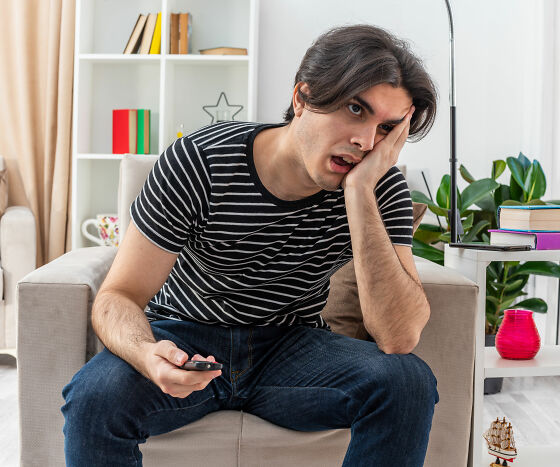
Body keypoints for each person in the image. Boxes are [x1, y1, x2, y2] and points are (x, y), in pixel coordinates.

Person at [62, 24, 439, 467]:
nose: (365, 141)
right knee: (93, 396)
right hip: (183, 334)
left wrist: (359, 192)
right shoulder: (199, 161)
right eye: (355, 109)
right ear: (302, 97)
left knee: (406, 380)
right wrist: (147, 354)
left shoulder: (378, 185)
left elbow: (399, 337)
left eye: (386, 128)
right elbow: (118, 296)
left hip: (291, 348)